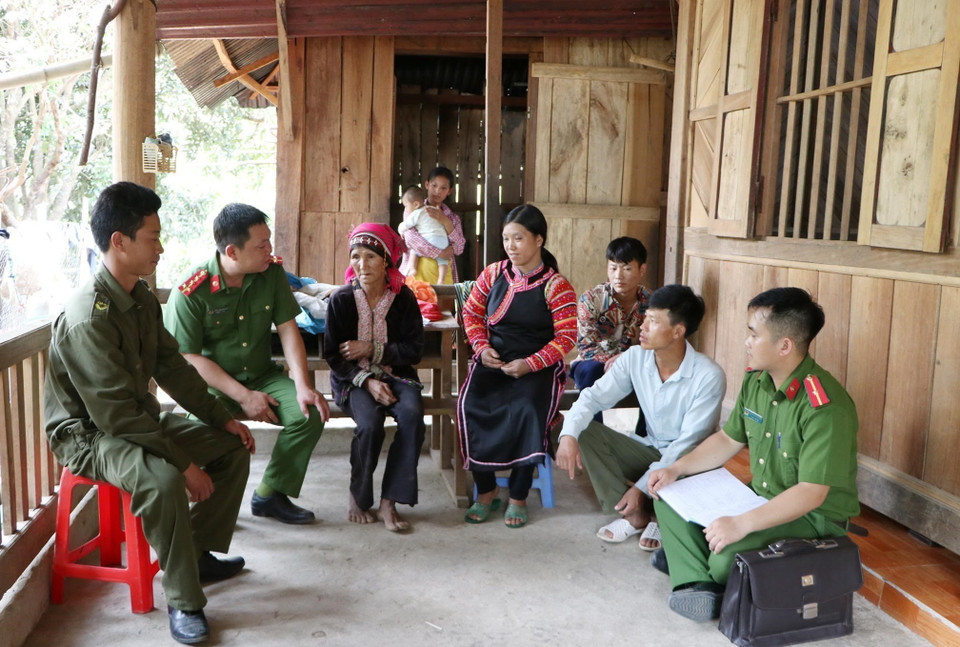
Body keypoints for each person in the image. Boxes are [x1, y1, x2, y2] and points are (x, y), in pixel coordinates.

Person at [44, 182, 255, 645]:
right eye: (151, 237)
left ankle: (194, 554)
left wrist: (222, 419)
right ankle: (184, 600)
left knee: (232, 447)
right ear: (119, 242)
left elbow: (172, 367)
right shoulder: (89, 316)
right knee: (162, 479)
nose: (160, 247)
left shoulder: (138, 296)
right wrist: (184, 464)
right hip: (87, 434)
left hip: (134, 418)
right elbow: (114, 418)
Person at [648, 287, 859, 622]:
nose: (746, 341)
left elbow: (811, 493)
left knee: (724, 559)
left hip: (812, 519)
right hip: (759, 499)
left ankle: (691, 568)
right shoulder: (757, 380)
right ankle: (694, 572)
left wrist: (742, 524)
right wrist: (677, 469)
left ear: (784, 345)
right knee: (667, 493)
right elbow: (727, 440)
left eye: (753, 334)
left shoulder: (824, 406)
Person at [165, 203, 330, 525]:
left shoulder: (271, 274)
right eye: (261, 245)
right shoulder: (192, 290)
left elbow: (288, 330)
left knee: (309, 413)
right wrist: (243, 397)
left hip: (263, 376)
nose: (270, 251)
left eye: (269, 242)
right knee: (198, 431)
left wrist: (303, 386)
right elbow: (189, 357)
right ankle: (210, 506)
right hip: (214, 386)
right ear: (232, 251)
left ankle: (270, 493)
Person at [556, 285, 725, 550]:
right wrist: (568, 434)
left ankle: (660, 515)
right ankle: (635, 515)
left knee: (687, 453)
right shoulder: (635, 358)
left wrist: (641, 488)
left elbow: (685, 445)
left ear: (678, 331)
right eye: (645, 317)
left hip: (688, 464)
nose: (642, 327)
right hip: (650, 449)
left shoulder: (708, 376)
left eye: (653, 321)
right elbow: (593, 397)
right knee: (584, 429)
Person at [458, 204, 577, 529]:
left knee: (528, 410)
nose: (511, 246)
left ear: (538, 240)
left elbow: (567, 337)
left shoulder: (556, 286)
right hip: (493, 360)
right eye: (507, 239)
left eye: (519, 238)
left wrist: (530, 364)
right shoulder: (493, 273)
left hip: (537, 367)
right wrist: (481, 349)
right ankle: (486, 490)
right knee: (470, 404)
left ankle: (519, 496)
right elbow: (470, 314)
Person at [323, 223, 426, 532]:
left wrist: (372, 349)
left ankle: (389, 500)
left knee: (412, 416)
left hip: (398, 376)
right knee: (369, 424)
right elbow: (333, 355)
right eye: (356, 256)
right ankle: (359, 495)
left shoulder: (404, 299)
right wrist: (366, 381)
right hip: (352, 379)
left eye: (370, 257)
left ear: (386, 261)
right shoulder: (341, 300)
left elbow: (414, 350)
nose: (362, 265)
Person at [569, 236, 652, 425]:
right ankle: (593, 434)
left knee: (653, 374)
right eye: (613, 268)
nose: (618, 276)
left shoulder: (651, 303)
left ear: (642, 270)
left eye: (627, 268)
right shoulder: (592, 299)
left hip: (633, 363)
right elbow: (586, 346)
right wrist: (613, 362)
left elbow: (654, 346)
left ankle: (646, 439)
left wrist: (626, 359)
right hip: (594, 363)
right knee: (591, 372)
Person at [399, 166, 465, 284]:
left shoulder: (453, 218)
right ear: (427, 184)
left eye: (443, 188)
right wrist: (439, 253)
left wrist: (446, 222)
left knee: (442, 301)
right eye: (434, 185)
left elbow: (459, 248)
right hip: (417, 271)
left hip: (442, 275)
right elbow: (410, 238)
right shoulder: (412, 210)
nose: (437, 191)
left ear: (449, 191)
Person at [398, 185, 450, 284]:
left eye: (406, 206)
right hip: (443, 241)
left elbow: (406, 225)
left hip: (430, 239)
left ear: (416, 204)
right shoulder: (432, 209)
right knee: (443, 261)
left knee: (414, 250)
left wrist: (401, 230)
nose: (406, 209)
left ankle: (413, 268)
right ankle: (441, 280)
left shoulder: (416, 213)